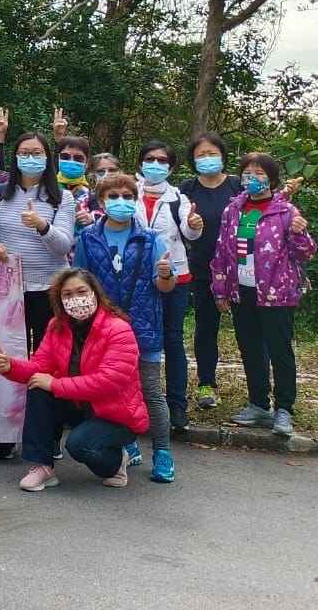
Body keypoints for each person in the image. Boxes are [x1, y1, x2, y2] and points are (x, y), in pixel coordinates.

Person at [0, 268, 148, 491]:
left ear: (95, 293)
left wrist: (55, 384)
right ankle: (42, 467)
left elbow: (108, 381)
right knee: (38, 385)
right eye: (67, 295)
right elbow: (40, 365)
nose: (75, 299)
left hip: (116, 416)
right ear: (59, 299)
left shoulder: (118, 329)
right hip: (81, 406)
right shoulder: (57, 326)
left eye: (81, 291)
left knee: (79, 446)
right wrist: (11, 367)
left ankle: (116, 462)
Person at [73, 173, 178, 483]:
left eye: (128, 196)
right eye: (113, 196)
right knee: (109, 390)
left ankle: (162, 452)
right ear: (101, 202)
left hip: (143, 327)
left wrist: (165, 273)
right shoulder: (88, 238)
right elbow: (80, 283)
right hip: (102, 330)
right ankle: (126, 444)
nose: (122, 201)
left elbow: (165, 287)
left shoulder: (151, 239)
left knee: (150, 391)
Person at [210, 152, 317, 438]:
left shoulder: (285, 211)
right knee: (251, 349)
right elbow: (222, 251)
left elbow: (305, 253)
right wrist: (219, 288)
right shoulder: (234, 210)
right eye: (247, 173)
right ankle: (259, 404)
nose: (252, 179)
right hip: (241, 291)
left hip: (276, 293)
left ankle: (284, 410)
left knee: (280, 351)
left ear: (271, 179)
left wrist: (299, 233)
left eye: (259, 173)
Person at [133, 139, 202, 433]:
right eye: (150, 159)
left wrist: (195, 225)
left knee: (172, 341)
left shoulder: (179, 198)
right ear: (140, 163)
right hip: (135, 277)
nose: (156, 165)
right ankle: (135, 402)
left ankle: (176, 407)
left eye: (162, 161)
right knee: (134, 340)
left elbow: (189, 232)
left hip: (176, 275)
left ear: (171, 167)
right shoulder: (127, 192)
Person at [0, 131, 76, 351]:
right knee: (12, 352)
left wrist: (42, 226)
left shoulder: (62, 197)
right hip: (11, 288)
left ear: (47, 158)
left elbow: (63, 246)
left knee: (46, 354)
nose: (30, 158)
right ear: (15, 157)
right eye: (24, 153)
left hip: (49, 288)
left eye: (37, 153)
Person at [179, 132, 238, 410]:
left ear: (223, 156)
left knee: (252, 332)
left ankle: (259, 393)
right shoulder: (186, 189)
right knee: (205, 329)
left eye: (212, 153)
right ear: (193, 159)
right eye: (201, 154)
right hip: (203, 270)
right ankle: (206, 383)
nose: (207, 158)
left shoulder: (238, 186)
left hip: (242, 273)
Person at [56, 135, 95, 228]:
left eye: (78, 158)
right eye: (65, 157)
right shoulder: (47, 187)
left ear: (87, 162)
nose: (71, 161)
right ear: (58, 158)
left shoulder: (92, 193)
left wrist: (91, 217)